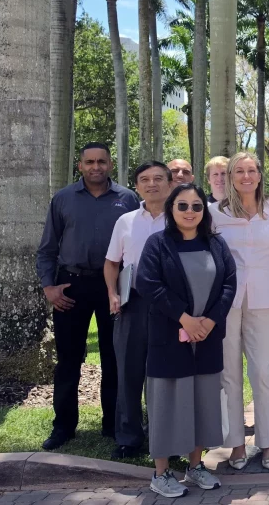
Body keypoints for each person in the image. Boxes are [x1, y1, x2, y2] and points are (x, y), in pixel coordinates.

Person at [36, 142, 140, 451]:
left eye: (102, 162)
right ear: (80, 166)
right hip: (71, 286)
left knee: (114, 358)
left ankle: (113, 424)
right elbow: (47, 249)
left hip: (114, 287)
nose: (96, 167)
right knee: (68, 360)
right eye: (90, 162)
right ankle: (63, 427)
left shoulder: (127, 199)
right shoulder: (63, 199)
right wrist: (48, 287)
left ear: (110, 164)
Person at [136, 184, 236, 498]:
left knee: (203, 403)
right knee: (167, 403)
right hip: (169, 337)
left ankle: (196, 467)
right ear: (171, 209)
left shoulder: (216, 244)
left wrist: (208, 321)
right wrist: (185, 318)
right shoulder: (158, 244)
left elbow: (230, 284)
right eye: (183, 206)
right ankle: (162, 472)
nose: (190, 212)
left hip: (206, 339)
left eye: (196, 206)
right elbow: (147, 283)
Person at [210, 152, 269, 470]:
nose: (246, 176)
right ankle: (235, 444)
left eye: (251, 170)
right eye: (239, 171)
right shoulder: (214, 213)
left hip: (266, 302)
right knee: (229, 376)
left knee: (263, 372)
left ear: (260, 175)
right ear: (230, 177)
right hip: (225, 304)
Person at [104, 161, 171, 459]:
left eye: (158, 178)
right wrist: (112, 293)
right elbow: (111, 263)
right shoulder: (126, 221)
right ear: (137, 186)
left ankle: (166, 437)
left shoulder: (181, 217)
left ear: (169, 183)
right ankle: (129, 437)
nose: (152, 184)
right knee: (128, 374)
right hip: (132, 304)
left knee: (166, 375)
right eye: (145, 179)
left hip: (170, 307)